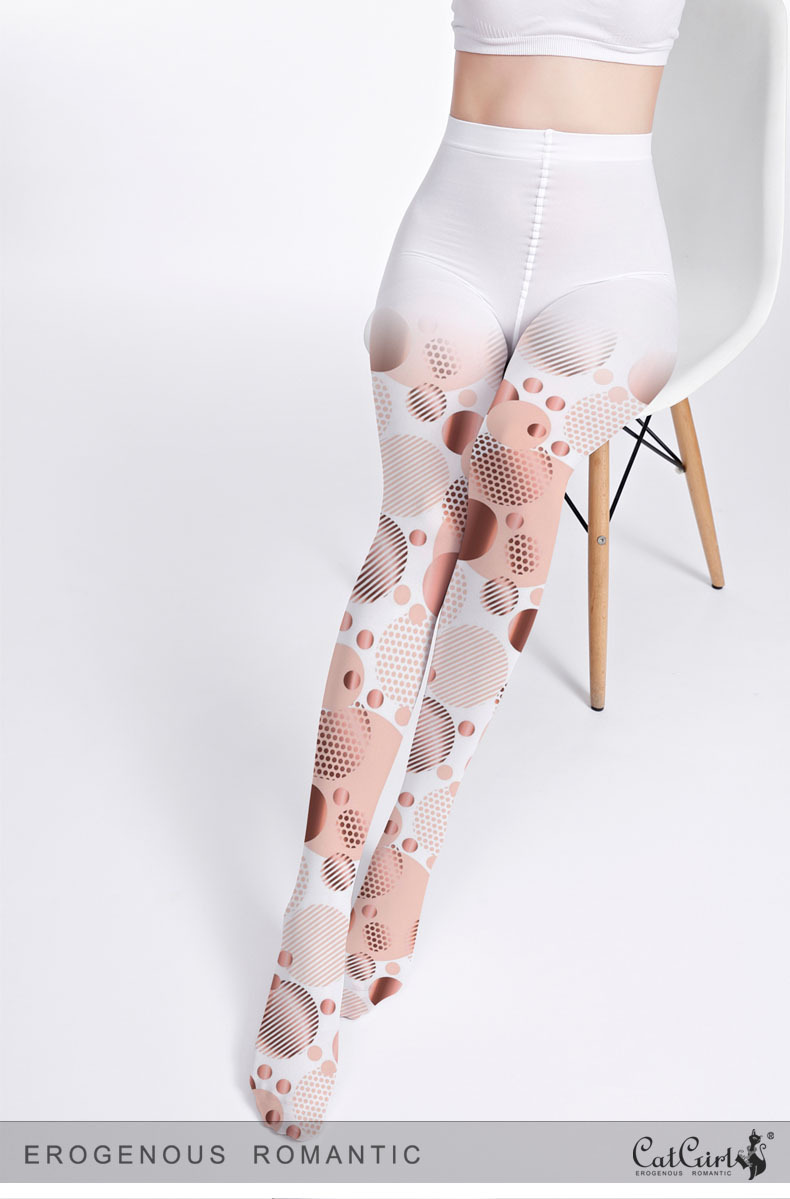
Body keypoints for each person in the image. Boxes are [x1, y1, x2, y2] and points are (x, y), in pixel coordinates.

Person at [249, 0, 685, 1137]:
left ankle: (417, 834)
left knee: (511, 464)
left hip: (614, 264)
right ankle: (314, 917)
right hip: (455, 233)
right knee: (415, 522)